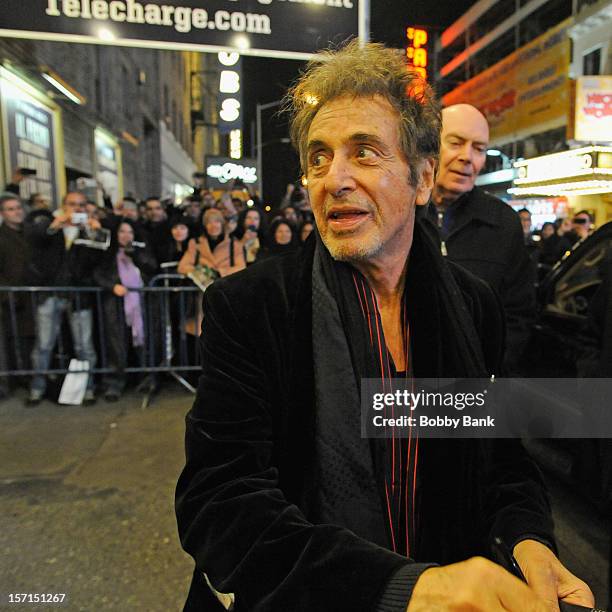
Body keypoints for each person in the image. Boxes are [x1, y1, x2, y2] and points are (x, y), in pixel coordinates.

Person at [176, 41, 593, 612]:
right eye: (318, 158)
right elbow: (220, 505)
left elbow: (498, 462)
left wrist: (529, 544)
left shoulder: (473, 307)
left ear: (421, 179)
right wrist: (404, 589)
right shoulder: (252, 307)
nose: (334, 179)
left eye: (364, 152)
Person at [430, 104, 536, 374]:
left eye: (479, 148)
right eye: (455, 143)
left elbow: (518, 314)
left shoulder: (503, 222)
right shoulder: (399, 213)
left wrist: (490, 373)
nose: (467, 157)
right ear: (430, 144)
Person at [24, 191, 103, 405]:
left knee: (84, 346)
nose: (76, 209)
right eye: (72, 204)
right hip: (50, 293)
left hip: (79, 296)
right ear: (63, 205)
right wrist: (54, 226)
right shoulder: (49, 224)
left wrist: (93, 234)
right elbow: (33, 239)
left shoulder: (88, 229)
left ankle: (88, 388)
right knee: (44, 345)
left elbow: (96, 259)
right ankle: (37, 388)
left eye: (81, 205)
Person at [93, 220, 157, 401]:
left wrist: (135, 255)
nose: (126, 235)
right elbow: (97, 274)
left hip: (141, 305)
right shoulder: (107, 253)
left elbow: (152, 267)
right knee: (115, 344)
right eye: (122, 232)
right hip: (115, 305)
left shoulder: (140, 251)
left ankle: (146, 379)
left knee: (143, 342)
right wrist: (111, 286)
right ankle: (115, 383)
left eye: (130, 232)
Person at [0, 194, 33, 398]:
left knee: (30, 341)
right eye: (11, 209)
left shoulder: (30, 233)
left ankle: (29, 377)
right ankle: (9, 381)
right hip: (9, 298)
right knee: (10, 342)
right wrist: (6, 293)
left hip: (30, 296)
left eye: (18, 207)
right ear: (3, 214)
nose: (17, 212)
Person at [177, 208, 245, 279]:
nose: (213, 225)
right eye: (209, 222)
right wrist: (203, 272)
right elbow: (182, 267)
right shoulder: (195, 243)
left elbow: (241, 267)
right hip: (203, 286)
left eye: (217, 221)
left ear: (222, 224)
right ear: (205, 226)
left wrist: (220, 273)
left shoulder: (235, 244)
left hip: (227, 285)